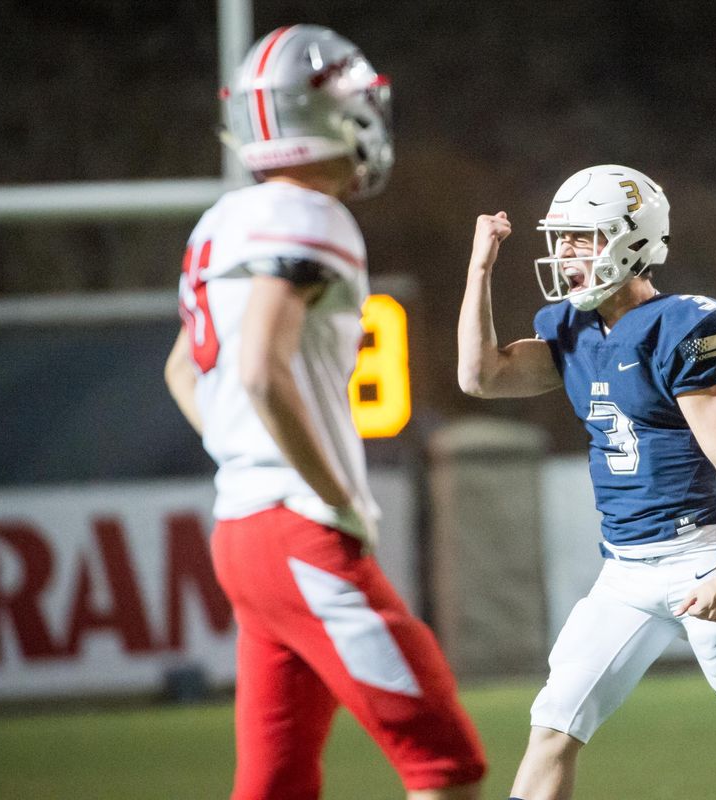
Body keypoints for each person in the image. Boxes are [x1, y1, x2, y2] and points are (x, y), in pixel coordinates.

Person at [164, 25, 485, 800]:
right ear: (334, 114)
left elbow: (184, 369)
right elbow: (261, 368)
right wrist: (330, 491)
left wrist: (246, 455)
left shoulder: (219, 223)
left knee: (275, 783)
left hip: (241, 531)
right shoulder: (313, 217)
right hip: (299, 531)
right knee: (445, 761)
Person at [457, 165, 716, 800]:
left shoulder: (680, 326)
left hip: (701, 556)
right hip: (626, 572)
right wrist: (479, 269)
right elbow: (481, 377)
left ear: (630, 240)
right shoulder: (572, 330)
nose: (564, 254)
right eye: (562, 238)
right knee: (553, 725)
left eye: (582, 238)